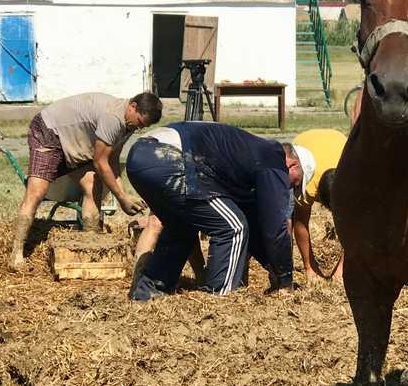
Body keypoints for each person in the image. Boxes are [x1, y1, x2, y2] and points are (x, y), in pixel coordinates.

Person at [125, 121, 302, 301]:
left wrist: (272, 264)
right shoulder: (273, 158)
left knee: (181, 226)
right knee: (234, 228)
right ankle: (218, 301)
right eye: (296, 183)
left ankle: (148, 293)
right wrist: (285, 279)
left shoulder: (249, 158)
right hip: (168, 157)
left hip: (140, 155)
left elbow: (256, 225)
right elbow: (275, 226)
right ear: (293, 165)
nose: (291, 189)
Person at [8, 91, 161, 270]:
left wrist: (124, 194)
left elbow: (111, 160)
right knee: (37, 192)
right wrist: (121, 199)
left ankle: (91, 246)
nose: (138, 128)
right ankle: (16, 255)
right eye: (140, 122)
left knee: (93, 185)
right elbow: (99, 162)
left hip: (74, 143)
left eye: (144, 126)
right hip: (49, 131)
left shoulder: (127, 124)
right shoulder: (113, 118)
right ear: (133, 107)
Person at [291, 128, 348, 283]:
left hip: (337, 139)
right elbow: (300, 222)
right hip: (304, 141)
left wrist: (342, 268)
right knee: (291, 214)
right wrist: (309, 267)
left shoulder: (354, 180)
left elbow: (356, 227)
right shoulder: (307, 186)